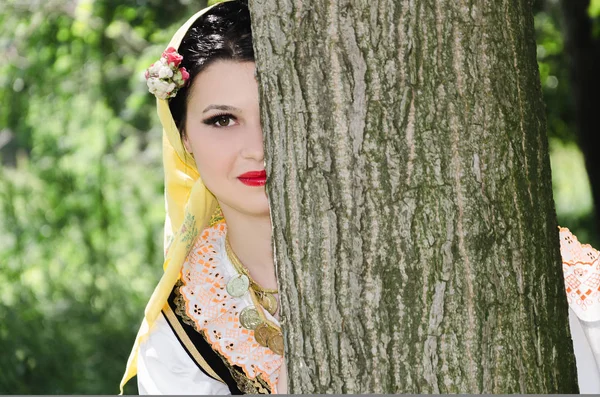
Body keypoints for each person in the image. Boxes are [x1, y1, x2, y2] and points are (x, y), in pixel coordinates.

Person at [119, 0, 600, 393]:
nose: (257, 148)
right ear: (182, 137)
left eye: (275, 111)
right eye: (222, 120)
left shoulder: (506, 258)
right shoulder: (181, 336)